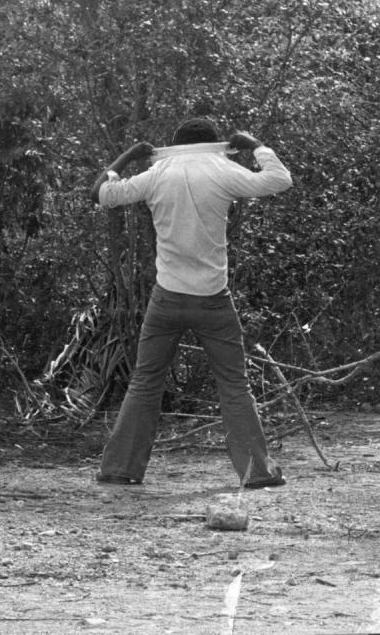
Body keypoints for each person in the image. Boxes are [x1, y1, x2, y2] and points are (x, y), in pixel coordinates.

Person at [91, 117, 293, 489]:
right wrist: (255, 145)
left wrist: (129, 157)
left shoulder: (159, 171)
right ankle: (257, 473)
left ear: (175, 144)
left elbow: (101, 194)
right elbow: (280, 180)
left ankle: (120, 469)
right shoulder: (221, 168)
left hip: (167, 298)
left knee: (145, 382)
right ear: (214, 143)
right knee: (234, 384)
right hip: (213, 299)